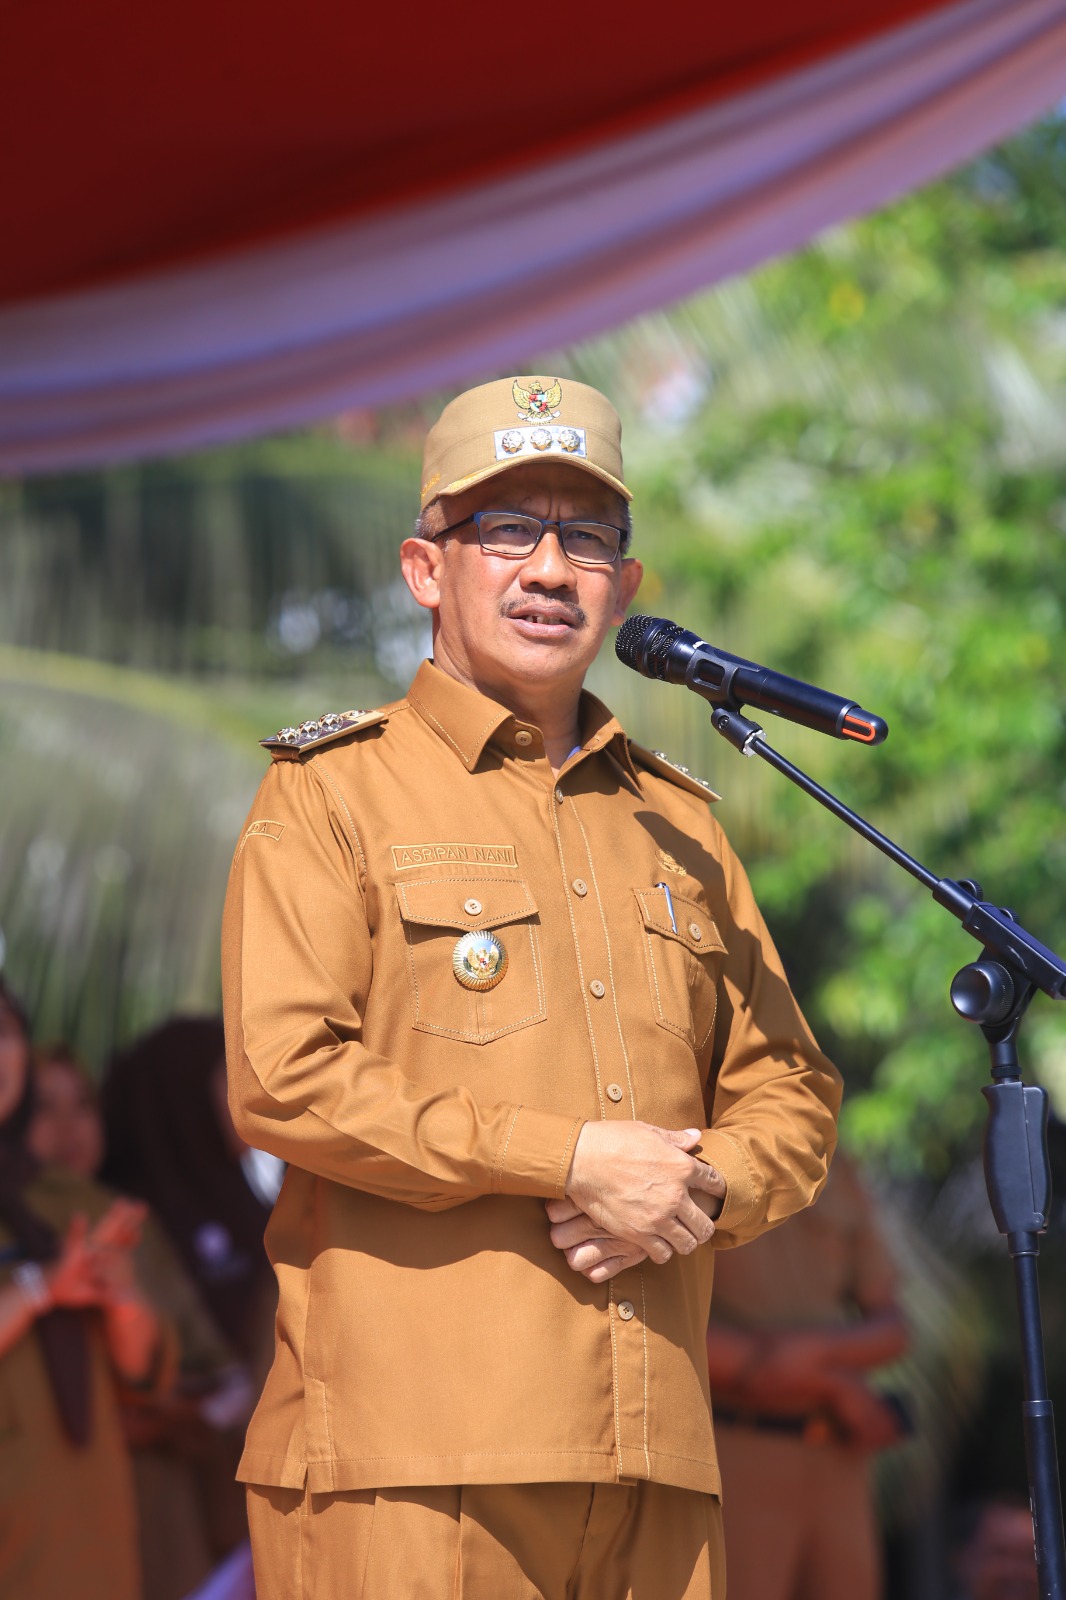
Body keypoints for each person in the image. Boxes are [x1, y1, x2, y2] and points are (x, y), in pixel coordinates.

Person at [222, 375, 843, 1599]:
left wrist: (703, 1182)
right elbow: (285, 1082)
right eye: (506, 529)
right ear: (423, 568)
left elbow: (794, 1090)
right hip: (412, 1462)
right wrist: (570, 1158)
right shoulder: (331, 792)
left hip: (655, 1464)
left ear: (627, 586)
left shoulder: (683, 826)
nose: (551, 567)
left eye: (588, 536)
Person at [29, 1040, 258, 1600]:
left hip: (161, 1514)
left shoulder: (131, 1224)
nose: (67, 1127)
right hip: (44, 1518)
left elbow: (225, 1375)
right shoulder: (20, 1233)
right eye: (42, 1107)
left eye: (81, 1104)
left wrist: (173, 1411)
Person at [0, 979, 167, 1600]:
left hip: (86, 1536)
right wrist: (40, 1288)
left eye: (4, 1029)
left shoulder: (72, 1199)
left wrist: (121, 1296)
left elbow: (143, 1370)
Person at [705, 1150, 909, 1600]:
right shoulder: (685, 1151)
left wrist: (803, 1360)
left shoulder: (835, 1163)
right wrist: (832, 1381)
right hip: (731, 1449)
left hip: (836, 1455)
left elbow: (892, 1327)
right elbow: (656, 1326)